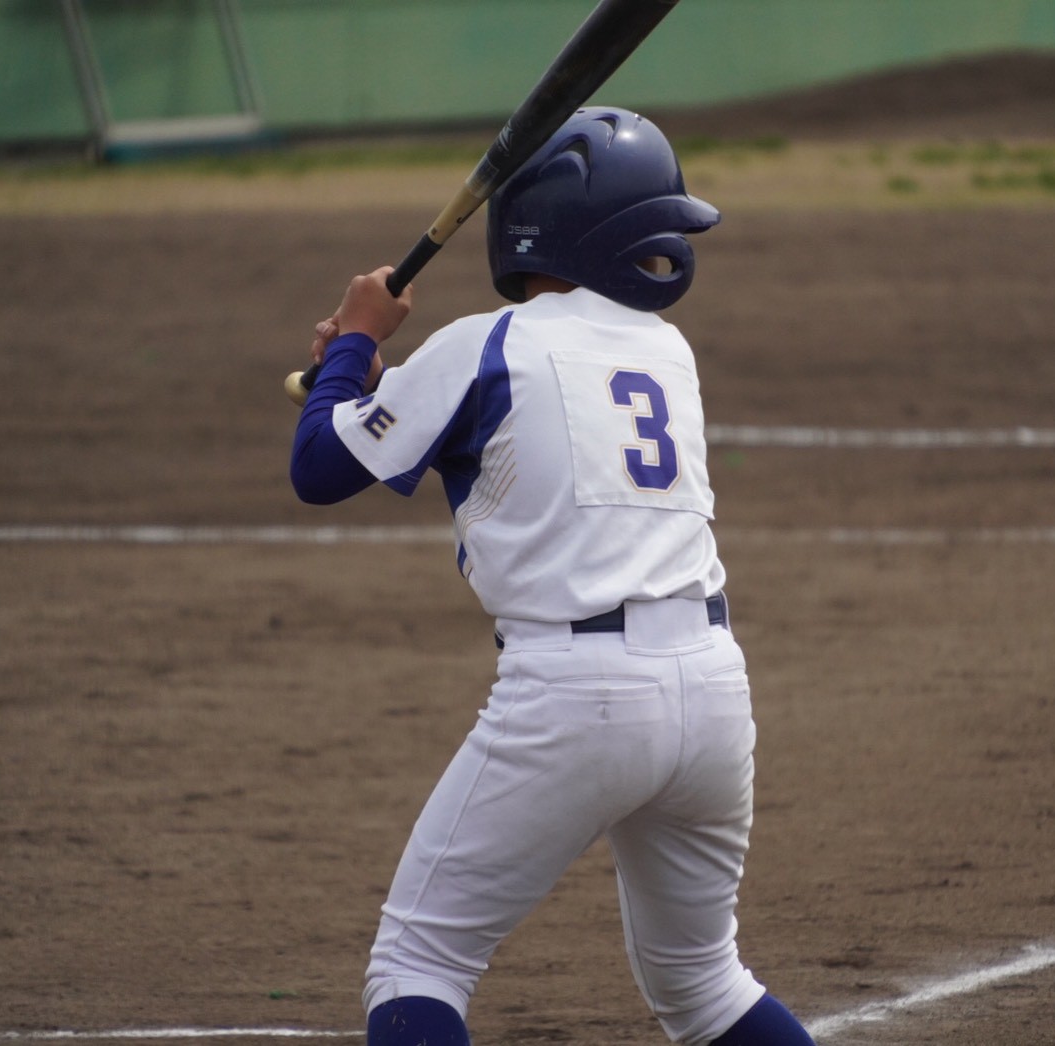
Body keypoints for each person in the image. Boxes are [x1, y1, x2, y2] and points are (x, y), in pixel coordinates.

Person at [289, 107, 816, 1046]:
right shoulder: (665, 349)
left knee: (417, 965)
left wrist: (353, 347)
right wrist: (361, 374)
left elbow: (318, 469)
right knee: (704, 985)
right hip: (711, 690)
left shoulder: (485, 343)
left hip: (577, 695)